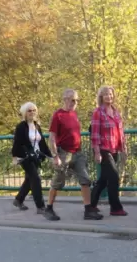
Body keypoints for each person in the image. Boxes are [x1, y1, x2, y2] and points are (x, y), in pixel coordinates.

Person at [46, 89, 103, 221]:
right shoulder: (58, 115)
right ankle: (49, 208)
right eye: (73, 100)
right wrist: (55, 156)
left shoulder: (74, 114)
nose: (75, 102)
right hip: (63, 153)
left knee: (85, 180)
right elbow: (52, 137)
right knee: (58, 182)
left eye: (77, 100)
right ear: (65, 99)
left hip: (77, 153)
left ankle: (88, 210)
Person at [90, 85, 128, 216]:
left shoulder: (116, 111)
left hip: (114, 149)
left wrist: (123, 149)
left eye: (111, 94)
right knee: (114, 177)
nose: (109, 96)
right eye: (106, 94)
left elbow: (120, 132)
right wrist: (97, 152)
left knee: (103, 180)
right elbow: (94, 134)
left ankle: (91, 204)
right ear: (101, 97)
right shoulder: (98, 112)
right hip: (103, 149)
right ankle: (115, 207)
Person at [12, 102, 51, 215]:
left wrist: (50, 156)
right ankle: (40, 206)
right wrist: (15, 157)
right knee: (36, 179)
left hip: (36, 157)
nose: (32, 112)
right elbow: (17, 143)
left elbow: (42, 143)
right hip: (25, 157)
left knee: (30, 180)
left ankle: (18, 200)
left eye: (34, 110)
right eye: (29, 111)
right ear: (25, 113)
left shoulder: (36, 125)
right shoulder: (21, 127)